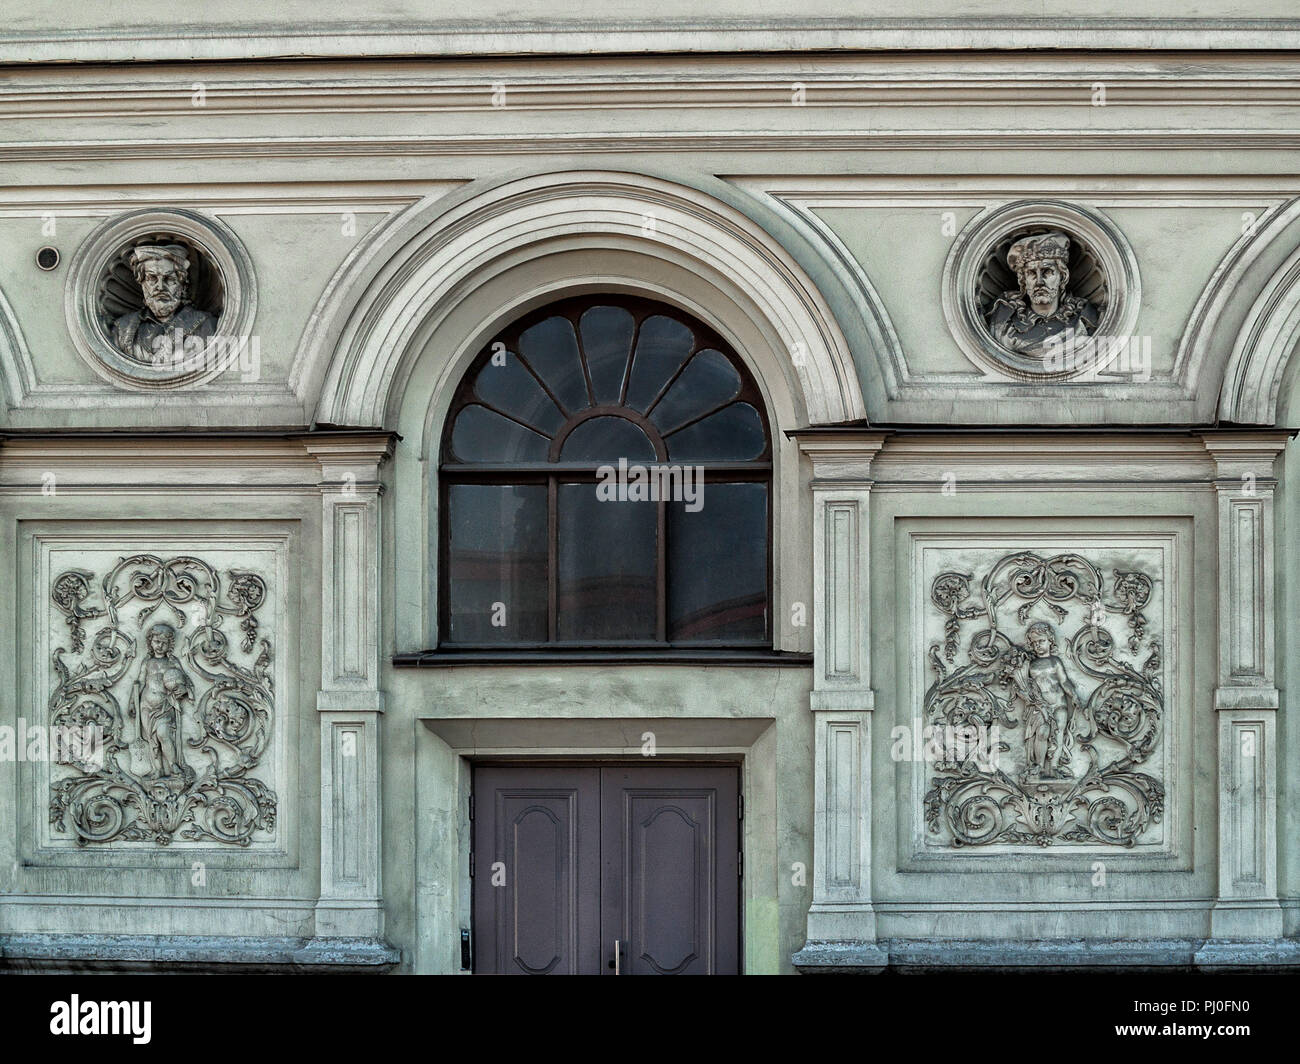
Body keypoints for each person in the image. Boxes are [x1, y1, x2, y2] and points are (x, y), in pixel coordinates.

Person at [127, 622, 195, 780]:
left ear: (170, 645)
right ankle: (157, 769)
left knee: (164, 734)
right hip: (146, 706)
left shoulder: (172, 662)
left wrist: (184, 689)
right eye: (157, 641)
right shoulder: (147, 662)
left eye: (164, 643)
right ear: (150, 642)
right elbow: (139, 682)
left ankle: (173, 765)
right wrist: (132, 702)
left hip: (164, 706)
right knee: (152, 740)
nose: (160, 646)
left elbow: (186, 681)